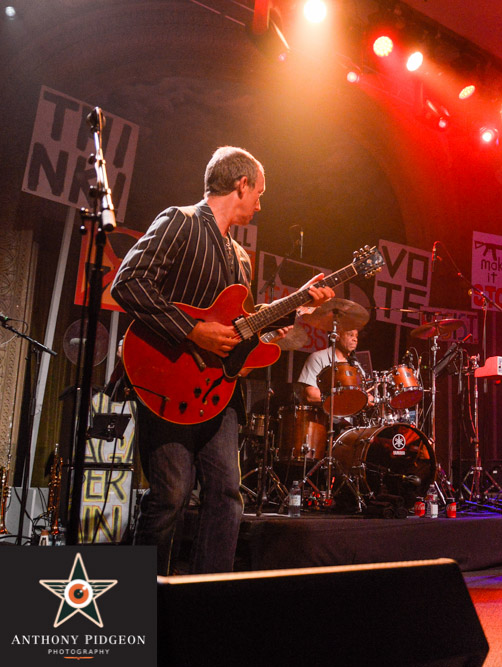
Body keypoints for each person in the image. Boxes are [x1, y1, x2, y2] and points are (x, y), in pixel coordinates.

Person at [111, 146, 335, 574]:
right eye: (260, 193)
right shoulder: (179, 221)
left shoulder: (241, 258)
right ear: (242, 184)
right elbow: (129, 284)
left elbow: (237, 331)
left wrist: (296, 304)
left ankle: (205, 598)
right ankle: (139, 599)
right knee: (171, 496)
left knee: (227, 496)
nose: (260, 204)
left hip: (217, 392)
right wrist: (191, 330)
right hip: (164, 379)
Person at [296, 329, 364, 405]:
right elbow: (311, 395)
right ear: (337, 336)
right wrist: (347, 400)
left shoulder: (355, 365)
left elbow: (363, 391)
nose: (355, 339)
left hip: (352, 416)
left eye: (356, 336)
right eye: (350, 335)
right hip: (324, 415)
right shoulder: (318, 358)